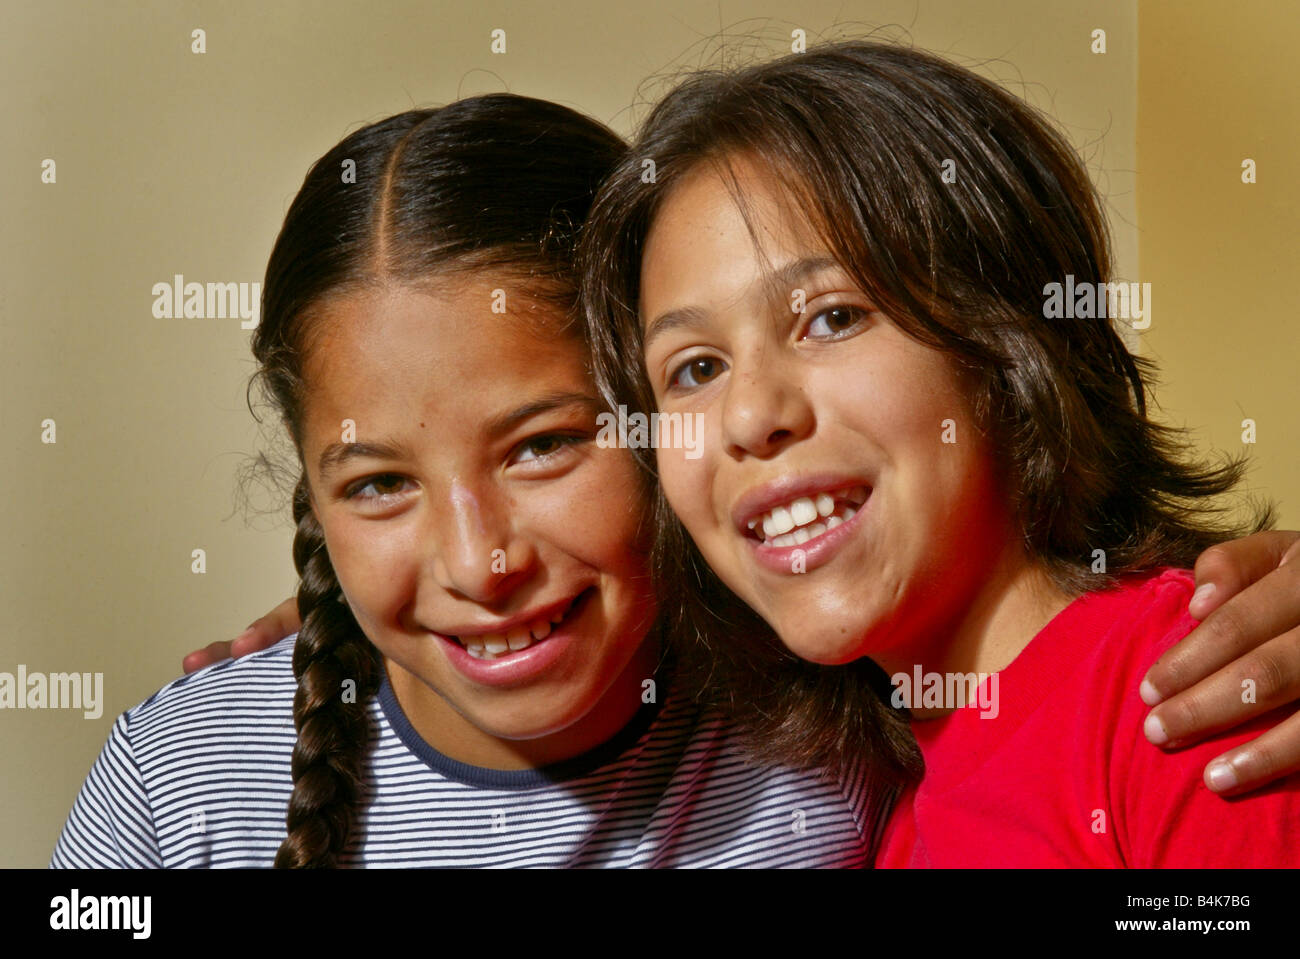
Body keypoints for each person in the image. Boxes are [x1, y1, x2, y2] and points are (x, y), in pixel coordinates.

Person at [51, 94, 885, 869]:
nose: (479, 563)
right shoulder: (178, 786)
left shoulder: (843, 718)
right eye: (379, 485)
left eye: (543, 445)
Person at [575, 40, 1300, 865]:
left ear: (1007, 342)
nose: (749, 414)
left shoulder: (1192, 686)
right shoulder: (895, 808)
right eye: (696, 369)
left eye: (832, 318)